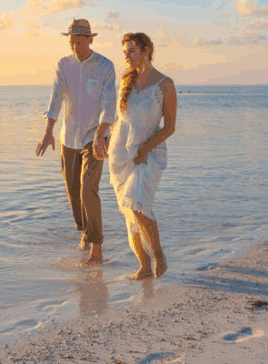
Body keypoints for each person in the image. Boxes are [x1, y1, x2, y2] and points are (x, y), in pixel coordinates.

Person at [35, 18, 117, 266]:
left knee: (87, 189)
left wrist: (102, 134)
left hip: (95, 137)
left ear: (90, 39)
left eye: (79, 41)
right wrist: (48, 130)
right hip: (67, 138)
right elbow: (56, 98)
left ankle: (96, 248)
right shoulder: (64, 64)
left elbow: (109, 102)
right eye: (71, 41)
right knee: (73, 193)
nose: (75, 46)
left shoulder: (105, 66)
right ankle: (84, 230)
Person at [107, 31, 177, 279]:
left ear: (147, 50)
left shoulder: (165, 84)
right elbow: (120, 118)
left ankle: (158, 254)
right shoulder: (126, 80)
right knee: (128, 211)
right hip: (120, 153)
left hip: (149, 153)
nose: (127, 56)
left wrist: (144, 149)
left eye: (132, 51)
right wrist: (103, 139)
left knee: (137, 204)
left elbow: (169, 127)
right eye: (125, 52)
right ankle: (143, 265)